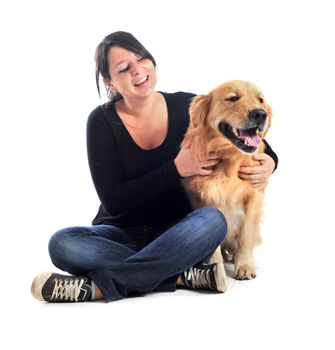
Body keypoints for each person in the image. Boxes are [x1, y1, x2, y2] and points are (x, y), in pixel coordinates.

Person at [31, 31, 278, 303]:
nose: (138, 71)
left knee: (212, 221)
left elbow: (248, 136)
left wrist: (272, 163)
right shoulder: (101, 122)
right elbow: (114, 202)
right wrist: (175, 168)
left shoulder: (187, 105)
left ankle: (98, 288)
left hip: (178, 231)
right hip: (121, 233)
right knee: (62, 244)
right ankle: (181, 275)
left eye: (142, 59)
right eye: (124, 68)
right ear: (109, 82)